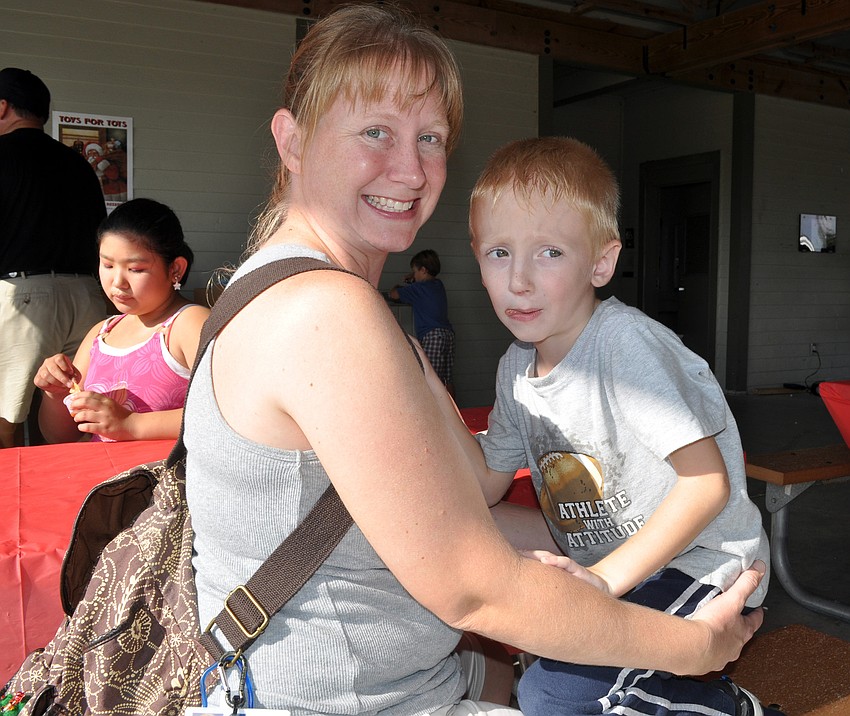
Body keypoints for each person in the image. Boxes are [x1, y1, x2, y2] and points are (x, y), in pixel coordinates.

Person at [184, 5, 765, 715]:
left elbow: (463, 508)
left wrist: (620, 544)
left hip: (411, 680)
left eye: (430, 137)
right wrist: (699, 648)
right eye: (376, 132)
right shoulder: (323, 314)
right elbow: (476, 588)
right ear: (292, 139)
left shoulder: (308, 291)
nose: (410, 168)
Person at [467, 136, 779, 716]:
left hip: (699, 561)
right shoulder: (515, 368)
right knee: (548, 666)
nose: (519, 280)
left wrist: (605, 585)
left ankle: (732, 708)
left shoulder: (623, 346)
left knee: (553, 693)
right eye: (499, 252)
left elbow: (706, 484)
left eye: (550, 253)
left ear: (601, 262)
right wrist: (421, 396)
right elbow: (483, 485)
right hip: (615, 566)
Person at [33, 198, 209, 443]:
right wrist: (54, 393)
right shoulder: (102, 333)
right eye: (107, 264)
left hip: (166, 478)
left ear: (175, 269)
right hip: (106, 476)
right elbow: (61, 436)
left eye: (135, 269)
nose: (117, 282)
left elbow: (231, 413)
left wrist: (133, 424)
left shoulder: (188, 324)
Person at [0, 67, 107, 448]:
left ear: (2, 108)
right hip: (87, 297)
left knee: (4, 419)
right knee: (75, 417)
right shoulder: (79, 165)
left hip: (24, 296)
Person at [389, 248, 456, 395]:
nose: (414, 274)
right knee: (447, 378)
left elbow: (393, 294)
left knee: (432, 379)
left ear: (423, 270)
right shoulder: (438, 285)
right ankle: (456, 412)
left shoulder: (418, 289)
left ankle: (437, 416)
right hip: (447, 334)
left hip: (432, 336)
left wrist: (402, 285)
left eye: (415, 271)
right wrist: (414, 279)